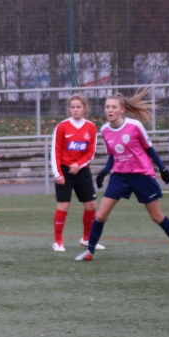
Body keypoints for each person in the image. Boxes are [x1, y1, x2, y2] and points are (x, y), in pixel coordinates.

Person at [76, 90, 169, 261]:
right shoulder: (105, 130)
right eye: (107, 107)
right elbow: (113, 155)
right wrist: (105, 172)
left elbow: (149, 148)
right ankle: (89, 251)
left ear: (122, 110)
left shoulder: (135, 126)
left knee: (157, 216)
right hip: (120, 176)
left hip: (141, 175)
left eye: (114, 107)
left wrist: (162, 169)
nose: (110, 110)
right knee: (100, 215)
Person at [50, 95, 102, 252]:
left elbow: (91, 151)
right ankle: (58, 242)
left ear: (84, 108)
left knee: (91, 206)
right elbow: (55, 151)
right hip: (65, 172)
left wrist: (79, 164)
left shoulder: (91, 127)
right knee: (64, 206)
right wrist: (58, 173)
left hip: (82, 170)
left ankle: (87, 239)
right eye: (72, 107)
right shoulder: (62, 126)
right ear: (69, 109)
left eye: (78, 107)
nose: (75, 110)